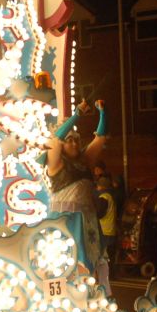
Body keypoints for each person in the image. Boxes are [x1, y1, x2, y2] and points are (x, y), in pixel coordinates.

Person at [46, 99, 108, 285]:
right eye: (69, 140)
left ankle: (92, 292)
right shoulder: (55, 163)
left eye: (76, 140)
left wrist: (103, 113)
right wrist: (77, 115)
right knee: (64, 263)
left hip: (87, 220)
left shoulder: (85, 161)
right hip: (64, 220)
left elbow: (100, 138)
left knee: (91, 261)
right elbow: (56, 140)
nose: (74, 143)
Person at [95, 174, 117, 295]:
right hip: (110, 229)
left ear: (100, 186)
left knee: (105, 256)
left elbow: (99, 213)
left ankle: (108, 277)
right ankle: (111, 275)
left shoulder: (103, 197)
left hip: (104, 230)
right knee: (109, 255)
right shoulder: (110, 196)